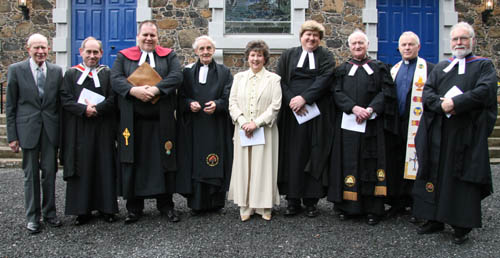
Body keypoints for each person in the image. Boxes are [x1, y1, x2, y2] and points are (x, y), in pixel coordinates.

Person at [413, 22, 497, 244]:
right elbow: (427, 92)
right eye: (455, 39)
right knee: (434, 173)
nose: (459, 43)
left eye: (463, 38)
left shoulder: (484, 66)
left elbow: (485, 91)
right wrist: (441, 105)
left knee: (460, 178)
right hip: (439, 132)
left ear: (472, 40)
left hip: (465, 134)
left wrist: (456, 103)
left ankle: (461, 225)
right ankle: (433, 218)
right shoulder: (441, 67)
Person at [111, 20, 183, 224]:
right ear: (138, 37)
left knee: (164, 161)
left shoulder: (169, 55)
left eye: (152, 35)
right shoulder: (124, 57)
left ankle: (166, 205)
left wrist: (156, 89)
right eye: (145, 35)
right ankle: (134, 208)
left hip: (162, 123)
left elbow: (177, 76)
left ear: (157, 37)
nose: (149, 39)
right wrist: (133, 90)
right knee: (134, 161)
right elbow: (115, 79)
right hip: (133, 124)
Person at [328, 29, 398, 225]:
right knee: (348, 162)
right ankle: (349, 208)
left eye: (361, 43)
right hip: (349, 127)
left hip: (372, 126)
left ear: (368, 45)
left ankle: (373, 210)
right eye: (354, 44)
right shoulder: (341, 70)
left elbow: (387, 92)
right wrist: (353, 108)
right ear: (349, 47)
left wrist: (370, 109)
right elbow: (336, 93)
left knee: (372, 164)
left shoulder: (379, 68)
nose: (357, 47)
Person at [276, 20, 335, 218]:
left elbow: (325, 79)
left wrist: (305, 98)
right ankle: (292, 201)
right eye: (308, 34)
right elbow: (281, 80)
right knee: (292, 154)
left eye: (315, 36)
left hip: (316, 112)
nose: (311, 38)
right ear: (301, 36)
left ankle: (311, 201)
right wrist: (292, 100)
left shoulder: (326, 56)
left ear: (320, 39)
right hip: (292, 115)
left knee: (314, 153)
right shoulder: (288, 55)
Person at [6, 33, 63, 234]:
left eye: (44, 48)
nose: (40, 52)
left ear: (49, 49)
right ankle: (33, 217)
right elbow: (10, 105)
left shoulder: (56, 71)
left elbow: (59, 105)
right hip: (27, 129)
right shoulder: (16, 70)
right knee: (30, 175)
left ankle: (50, 213)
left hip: (49, 129)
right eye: (36, 48)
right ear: (28, 49)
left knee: (50, 173)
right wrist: (12, 136)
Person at [60, 37, 118, 225]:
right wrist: (84, 110)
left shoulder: (108, 74)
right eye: (88, 52)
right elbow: (65, 99)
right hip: (80, 128)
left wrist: (98, 109)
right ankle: (82, 210)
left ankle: (107, 208)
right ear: (81, 52)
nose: (92, 56)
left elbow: (113, 98)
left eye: (95, 52)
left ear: (101, 53)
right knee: (82, 167)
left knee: (104, 166)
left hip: (103, 128)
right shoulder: (70, 75)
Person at [176, 36, 234, 214]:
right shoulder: (186, 73)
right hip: (194, 127)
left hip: (216, 125)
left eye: (209, 48)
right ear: (195, 52)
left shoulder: (224, 72)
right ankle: (197, 204)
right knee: (195, 162)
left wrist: (218, 105)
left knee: (215, 161)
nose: (205, 52)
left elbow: (229, 96)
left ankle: (215, 202)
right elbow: (180, 97)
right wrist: (188, 104)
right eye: (201, 49)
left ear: (213, 50)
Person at [228, 40, 282, 221]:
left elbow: (275, 106)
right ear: (247, 57)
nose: (255, 58)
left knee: (264, 166)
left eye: (259, 55)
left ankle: (264, 206)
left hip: (264, 130)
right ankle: (245, 205)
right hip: (243, 130)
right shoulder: (238, 78)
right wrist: (243, 122)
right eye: (252, 55)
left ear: (265, 58)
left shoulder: (274, 79)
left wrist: (256, 123)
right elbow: (232, 103)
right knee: (244, 166)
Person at [385, 32, 435, 222]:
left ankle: (416, 204)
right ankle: (397, 202)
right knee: (396, 163)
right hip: (396, 125)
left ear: (418, 47)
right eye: (403, 45)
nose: (407, 48)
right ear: (399, 48)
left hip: (418, 125)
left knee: (417, 163)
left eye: (411, 45)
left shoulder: (429, 69)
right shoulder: (393, 70)